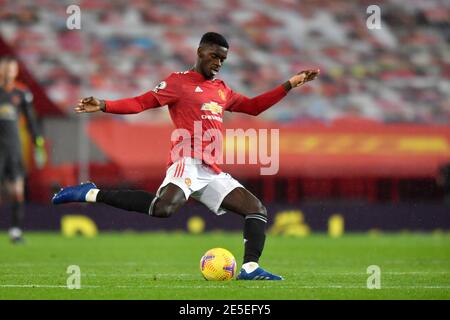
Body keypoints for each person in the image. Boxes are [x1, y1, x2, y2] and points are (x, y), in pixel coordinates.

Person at [52, 32, 319, 280]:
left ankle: (250, 267)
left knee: (256, 209)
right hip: (187, 160)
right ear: (200, 51)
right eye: (214, 56)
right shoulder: (178, 82)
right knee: (163, 209)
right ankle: (90, 193)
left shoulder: (222, 89)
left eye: (223, 59)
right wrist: (104, 105)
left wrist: (290, 85)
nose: (218, 63)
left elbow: (254, 107)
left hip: (211, 169)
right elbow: (141, 102)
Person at [0, 56, 47, 243]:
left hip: (13, 147)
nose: (9, 72)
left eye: (12, 69)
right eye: (5, 69)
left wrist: (38, 141)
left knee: (17, 190)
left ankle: (15, 231)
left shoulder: (21, 93)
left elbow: (30, 119)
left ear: (16, 72)